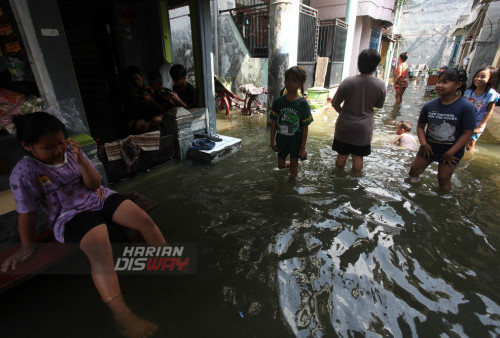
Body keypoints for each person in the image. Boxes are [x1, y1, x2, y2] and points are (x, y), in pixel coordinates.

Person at [1, 112, 165, 337]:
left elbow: (94, 183)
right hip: (69, 214)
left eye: (60, 142)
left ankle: (168, 264)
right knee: (101, 251)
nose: (58, 150)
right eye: (49, 147)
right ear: (27, 146)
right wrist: (27, 245)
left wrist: (80, 160)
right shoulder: (24, 172)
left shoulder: (70, 149)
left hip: (97, 196)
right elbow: (26, 214)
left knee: (144, 220)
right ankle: (123, 316)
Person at [408, 68, 476, 190]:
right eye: (438, 81)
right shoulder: (429, 105)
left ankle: (444, 200)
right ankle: (412, 193)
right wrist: (424, 144)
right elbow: (420, 126)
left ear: (458, 85)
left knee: (443, 180)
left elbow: (467, 133)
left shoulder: (466, 107)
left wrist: (451, 152)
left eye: (445, 82)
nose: (439, 85)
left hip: (451, 152)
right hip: (428, 148)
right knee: (413, 172)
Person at [331, 49, 387, 171]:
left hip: (344, 126)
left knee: (341, 156)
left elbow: (334, 104)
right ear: (375, 65)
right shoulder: (381, 85)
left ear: (359, 63)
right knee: (358, 158)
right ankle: (354, 186)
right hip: (363, 128)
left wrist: (344, 113)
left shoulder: (348, 81)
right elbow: (378, 105)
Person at [269, 66, 313, 179]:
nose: (289, 83)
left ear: (300, 84)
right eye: (287, 79)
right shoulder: (279, 101)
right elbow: (274, 122)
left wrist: (302, 148)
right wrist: (272, 142)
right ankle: (295, 163)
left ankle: (290, 188)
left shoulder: (303, 104)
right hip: (281, 140)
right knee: (280, 166)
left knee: (293, 173)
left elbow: (305, 127)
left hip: (295, 141)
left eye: (294, 80)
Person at [463, 66, 499, 152]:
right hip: (466, 121)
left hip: (479, 122)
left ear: (490, 79)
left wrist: (479, 126)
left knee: (469, 145)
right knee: (461, 142)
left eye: (483, 77)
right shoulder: (468, 92)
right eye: (477, 76)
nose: (478, 78)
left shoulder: (491, 94)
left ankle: (467, 163)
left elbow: (489, 112)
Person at [125, 65, 163, 133]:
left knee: (138, 124)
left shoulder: (149, 88)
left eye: (137, 79)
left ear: (141, 77)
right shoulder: (133, 93)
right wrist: (135, 100)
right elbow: (136, 110)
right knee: (129, 124)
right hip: (142, 115)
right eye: (133, 80)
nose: (136, 82)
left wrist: (151, 99)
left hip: (152, 114)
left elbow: (159, 109)